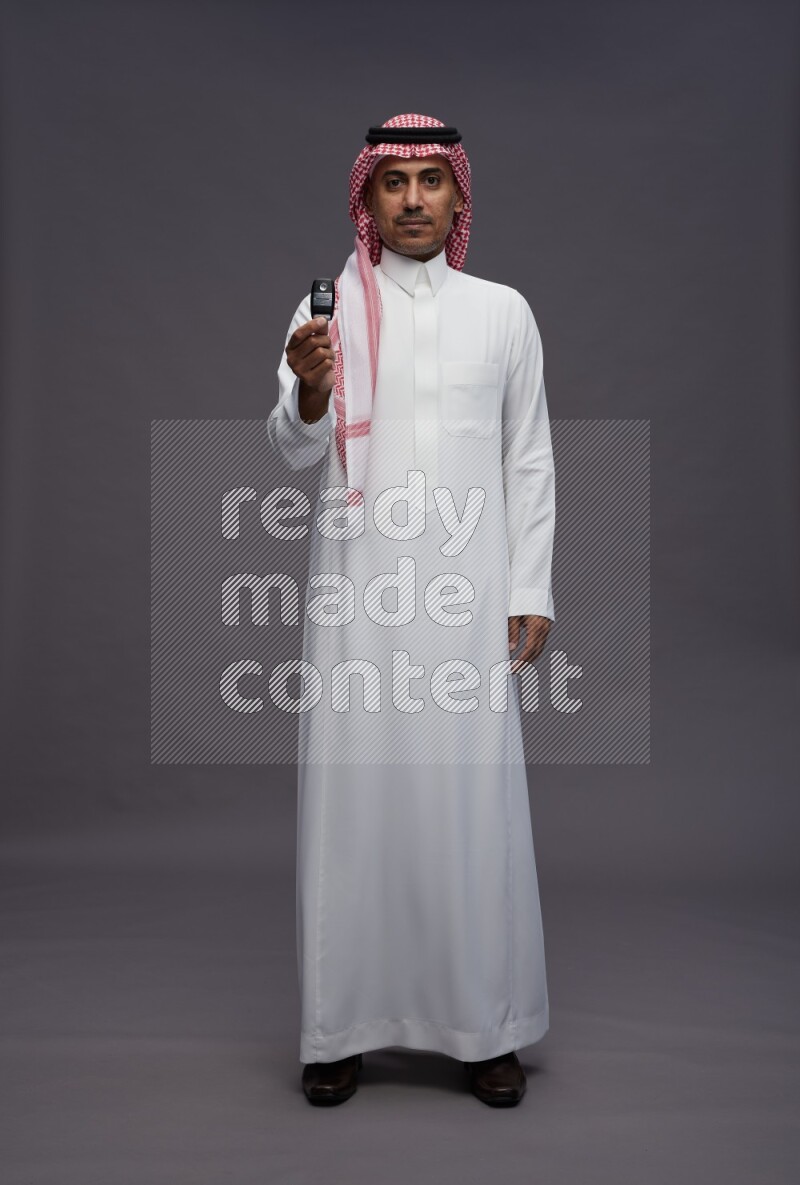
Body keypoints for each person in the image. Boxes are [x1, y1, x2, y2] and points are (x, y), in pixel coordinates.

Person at [267, 113, 556, 1107]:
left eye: (433, 182)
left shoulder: (502, 313)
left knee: (466, 807)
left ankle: (484, 1029)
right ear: (368, 199)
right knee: (355, 809)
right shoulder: (325, 312)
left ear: (458, 197)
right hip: (356, 595)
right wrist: (309, 394)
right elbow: (294, 447)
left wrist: (529, 586)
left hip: (467, 596)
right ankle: (337, 1029)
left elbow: (528, 458)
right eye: (395, 185)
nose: (414, 201)